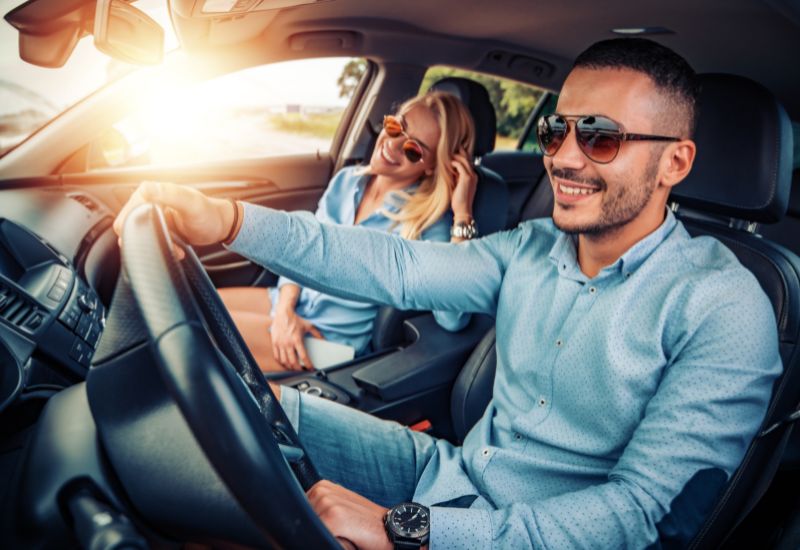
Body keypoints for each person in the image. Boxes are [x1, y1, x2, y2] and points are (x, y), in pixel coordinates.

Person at [114, 38, 782, 549]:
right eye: (558, 130)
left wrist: (408, 529)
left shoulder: (725, 306)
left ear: (676, 162)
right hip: (450, 472)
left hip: (527, 535)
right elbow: (394, 265)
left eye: (602, 137)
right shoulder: (531, 248)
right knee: (245, 404)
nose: (566, 158)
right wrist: (226, 220)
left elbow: (638, 516)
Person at [218, 91, 478, 371]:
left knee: (201, 331)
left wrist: (462, 213)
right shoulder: (346, 181)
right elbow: (300, 248)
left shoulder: (427, 224)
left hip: (327, 341)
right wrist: (284, 311)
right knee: (195, 300)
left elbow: (453, 318)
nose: (392, 144)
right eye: (395, 127)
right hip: (292, 304)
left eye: (414, 149)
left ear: (432, 167)